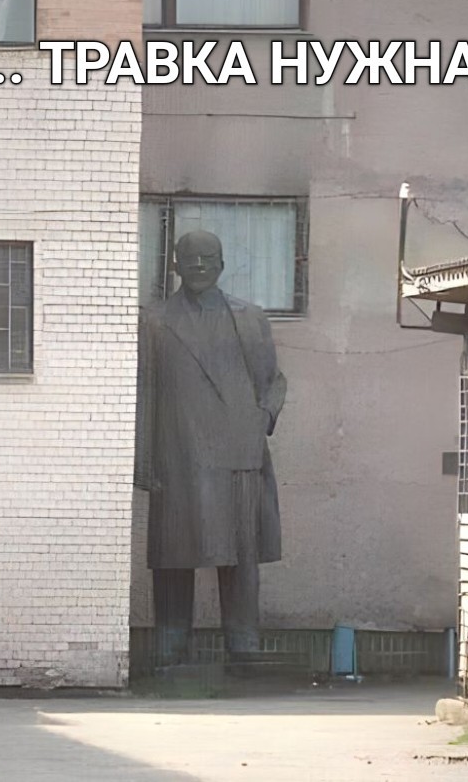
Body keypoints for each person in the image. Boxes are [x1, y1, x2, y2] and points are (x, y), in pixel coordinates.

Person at [138, 229, 286, 664]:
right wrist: (144, 461)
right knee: (174, 557)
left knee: (241, 558)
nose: (199, 265)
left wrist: (261, 419)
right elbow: (144, 392)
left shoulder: (250, 317)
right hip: (178, 454)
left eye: (208, 258)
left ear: (221, 264)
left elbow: (274, 380)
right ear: (175, 266)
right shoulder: (155, 321)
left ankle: (243, 647)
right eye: (190, 258)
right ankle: (170, 650)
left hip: (239, 455)